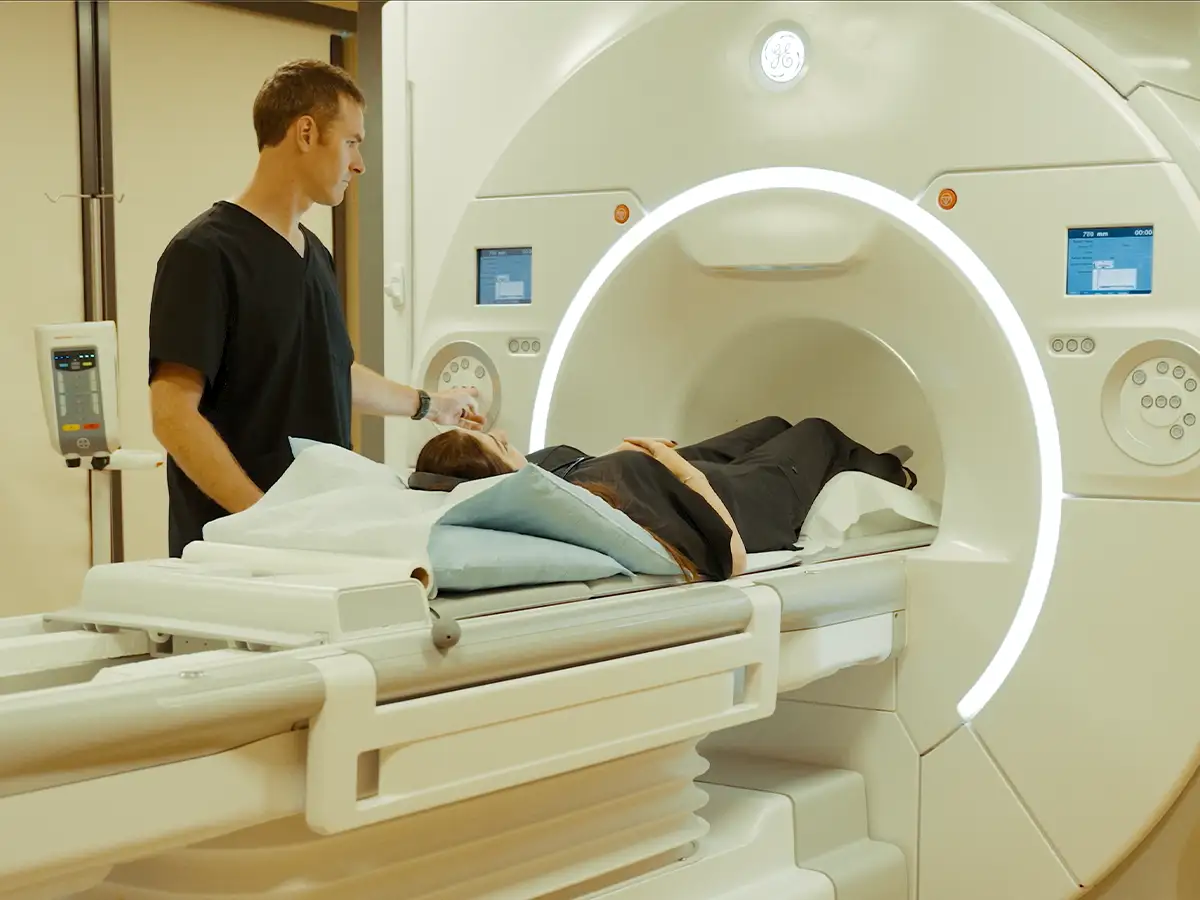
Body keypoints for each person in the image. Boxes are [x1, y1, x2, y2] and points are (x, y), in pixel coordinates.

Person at [147, 59, 483, 558]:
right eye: (351, 142)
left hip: (316, 541)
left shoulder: (315, 254)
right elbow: (172, 415)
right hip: (236, 550)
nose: (359, 164)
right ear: (306, 132)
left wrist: (430, 405)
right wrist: (262, 521)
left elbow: (330, 371)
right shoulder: (205, 252)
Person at [414, 417, 917, 582]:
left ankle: (858, 459)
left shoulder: (543, 478)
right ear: (499, 473)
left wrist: (634, 453)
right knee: (816, 432)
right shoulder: (579, 511)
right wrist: (675, 468)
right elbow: (730, 556)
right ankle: (890, 471)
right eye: (501, 445)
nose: (505, 434)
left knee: (773, 425)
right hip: (746, 504)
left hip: (692, 470)